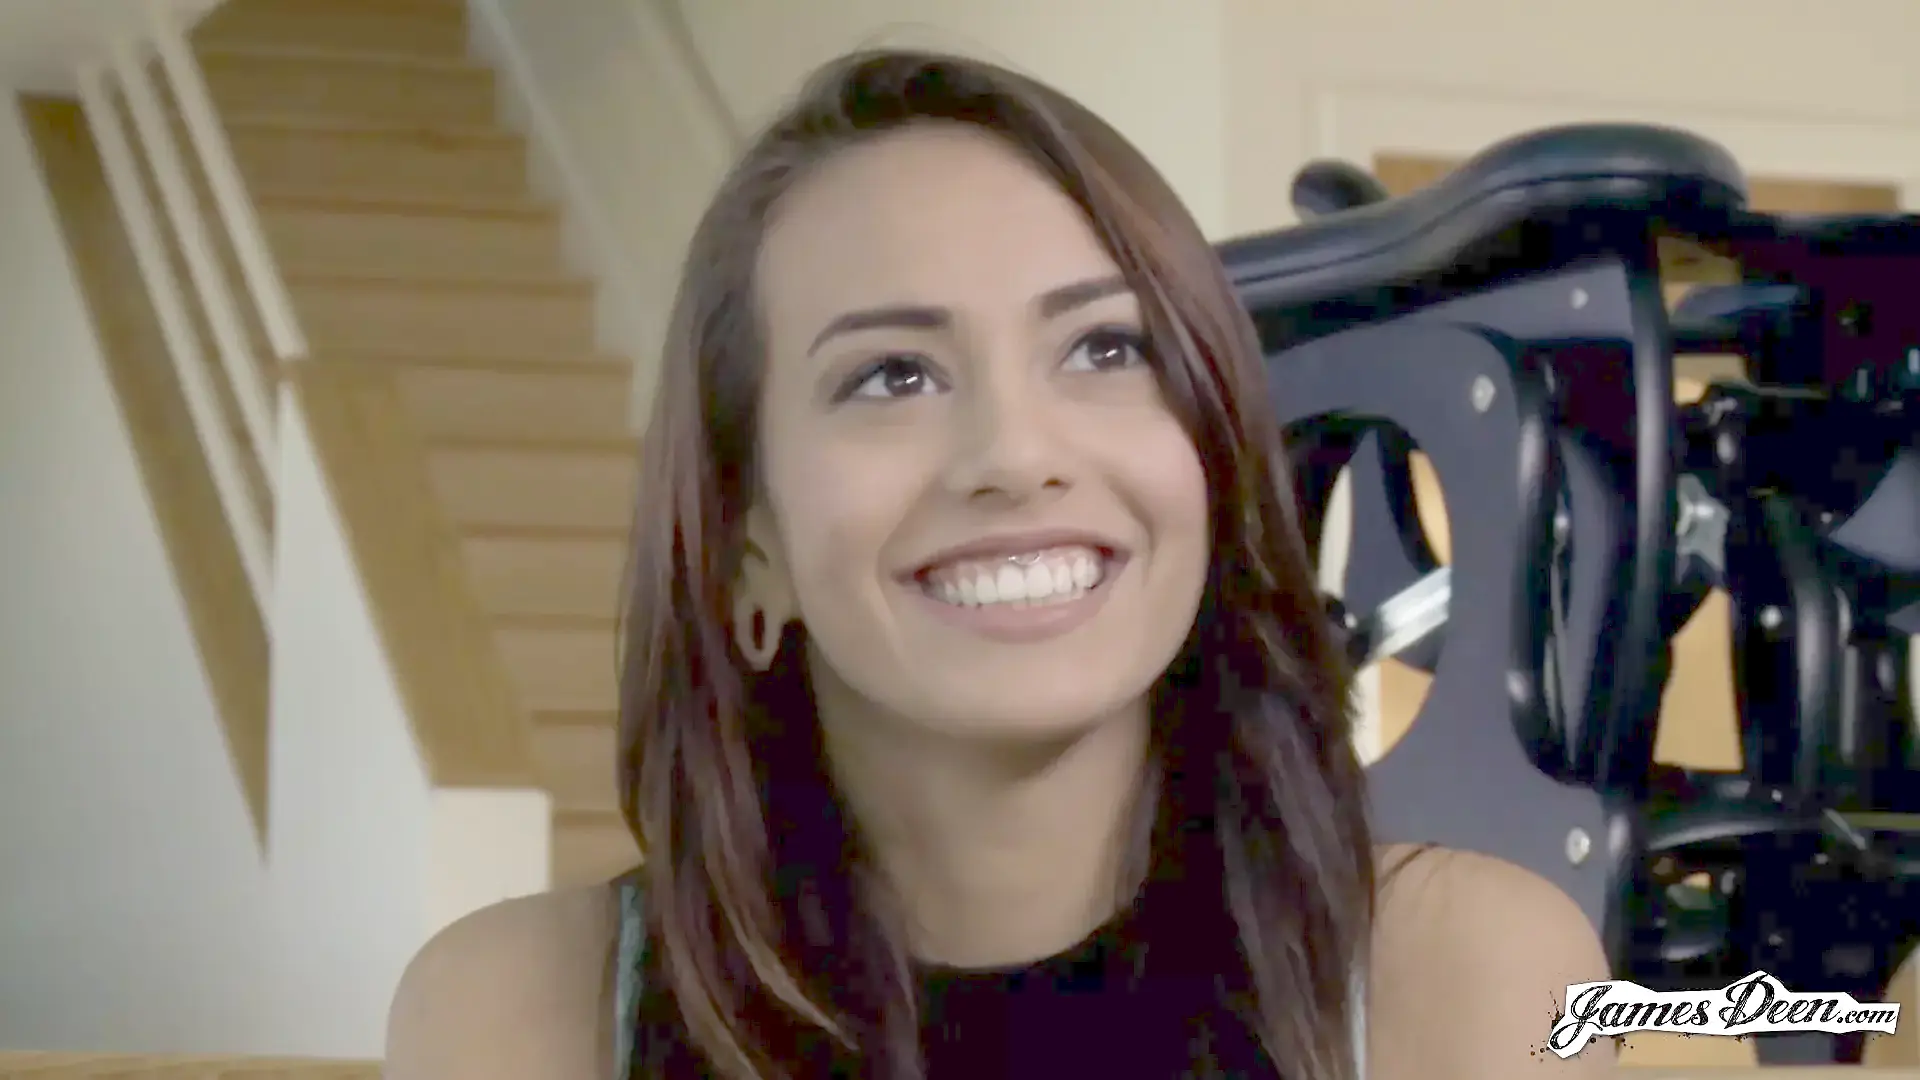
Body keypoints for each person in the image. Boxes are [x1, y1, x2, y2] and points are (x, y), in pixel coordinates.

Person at [383, 48, 1613, 1080]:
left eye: (1104, 349)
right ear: (750, 547)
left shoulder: (1471, 978)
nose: (1017, 456)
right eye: (893, 376)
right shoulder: (521, 1017)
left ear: (1213, 453)